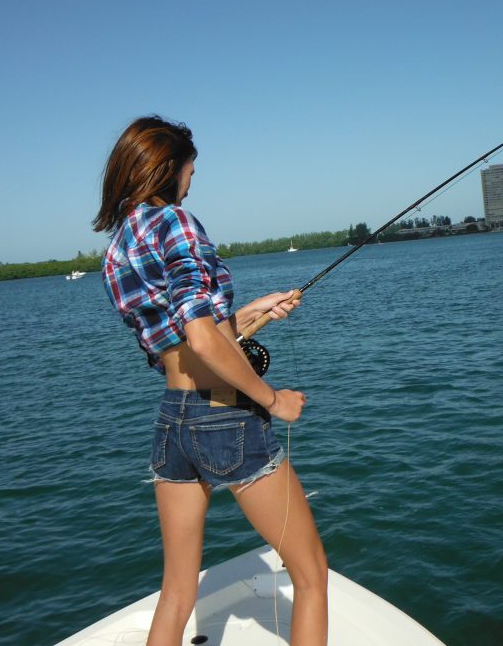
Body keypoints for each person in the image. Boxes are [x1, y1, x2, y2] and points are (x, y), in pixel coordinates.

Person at [93, 116, 328, 646]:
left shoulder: (116, 250)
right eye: (190, 171)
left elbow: (178, 346)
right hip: (222, 412)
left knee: (176, 593)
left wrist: (251, 312)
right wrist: (273, 400)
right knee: (312, 575)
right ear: (167, 168)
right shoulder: (175, 222)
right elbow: (202, 341)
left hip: (172, 420)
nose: (191, 181)